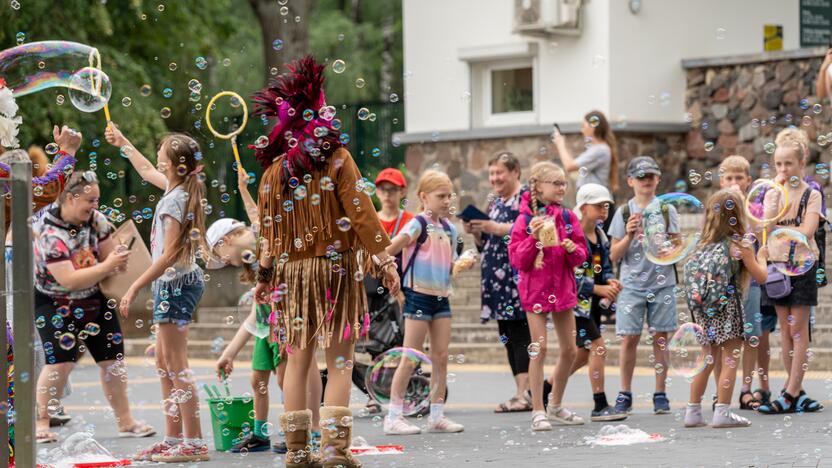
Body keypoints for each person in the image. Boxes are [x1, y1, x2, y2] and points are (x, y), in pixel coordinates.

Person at [251, 56, 400, 468]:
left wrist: (264, 276)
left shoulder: (272, 173)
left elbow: (268, 234)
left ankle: (298, 453)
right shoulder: (338, 159)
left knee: (297, 360)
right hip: (336, 268)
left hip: (291, 273)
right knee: (339, 361)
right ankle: (335, 452)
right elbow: (362, 214)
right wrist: (384, 260)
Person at [105, 125, 210, 462]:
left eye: (161, 153)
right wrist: (124, 142)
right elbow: (145, 169)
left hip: (176, 284)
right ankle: (173, 437)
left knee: (176, 365)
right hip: (171, 284)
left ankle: (193, 443)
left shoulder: (175, 200)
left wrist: (135, 284)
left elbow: (168, 256)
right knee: (165, 364)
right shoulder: (176, 188)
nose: (156, 158)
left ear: (173, 164)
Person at [32, 170, 155, 444]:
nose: (95, 206)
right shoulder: (49, 233)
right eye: (90, 200)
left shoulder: (97, 221)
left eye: (97, 200)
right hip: (54, 301)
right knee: (59, 364)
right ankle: (41, 423)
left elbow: (110, 254)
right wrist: (108, 265)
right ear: (71, 197)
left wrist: (118, 259)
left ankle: (126, 421)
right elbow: (69, 279)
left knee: (113, 362)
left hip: (94, 296)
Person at [212, 170, 323, 454]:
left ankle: (304, 430)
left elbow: (257, 219)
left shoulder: (265, 242)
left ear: (227, 240)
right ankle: (260, 433)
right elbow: (254, 318)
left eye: (218, 254)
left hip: (288, 319)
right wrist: (229, 353)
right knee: (257, 378)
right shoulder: (253, 269)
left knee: (290, 379)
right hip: (268, 327)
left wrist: (244, 189)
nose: (222, 261)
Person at [383, 169, 466, 435]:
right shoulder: (417, 224)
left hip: (441, 298)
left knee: (441, 357)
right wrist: (387, 269)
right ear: (423, 197)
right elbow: (392, 248)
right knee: (409, 358)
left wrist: (461, 265)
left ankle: (437, 415)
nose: (445, 201)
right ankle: (393, 417)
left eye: (448, 196)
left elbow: (447, 264)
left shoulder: (451, 229)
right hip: (417, 295)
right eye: (440, 196)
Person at [509, 161, 588, 431]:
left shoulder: (567, 217)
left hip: (562, 290)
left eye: (563, 182)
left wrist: (570, 248)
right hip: (536, 291)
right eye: (555, 183)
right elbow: (518, 259)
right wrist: (534, 237)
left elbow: (581, 254)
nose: (561, 187)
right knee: (538, 348)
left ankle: (555, 404)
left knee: (570, 349)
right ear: (538, 186)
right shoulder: (523, 219)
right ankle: (538, 410)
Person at [683, 189, 768, 428]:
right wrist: (762, 256)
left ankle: (693, 412)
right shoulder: (739, 244)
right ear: (739, 215)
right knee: (731, 358)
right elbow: (761, 277)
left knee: (706, 358)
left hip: (702, 310)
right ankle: (722, 411)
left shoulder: (701, 244)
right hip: (728, 308)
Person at [756, 130, 825, 414]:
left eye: (789, 164)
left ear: (801, 163)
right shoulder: (774, 192)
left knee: (799, 329)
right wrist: (774, 195)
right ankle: (794, 390)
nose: (783, 169)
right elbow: (766, 227)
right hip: (776, 267)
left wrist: (780, 231)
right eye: (778, 164)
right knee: (784, 329)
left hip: (802, 267)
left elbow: (807, 232)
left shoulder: (812, 194)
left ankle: (790, 392)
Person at [463, 152, 532, 413]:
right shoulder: (494, 201)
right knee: (506, 334)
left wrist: (493, 227)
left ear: (515, 172)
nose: (494, 178)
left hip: (516, 276)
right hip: (495, 278)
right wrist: (479, 233)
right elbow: (487, 245)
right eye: (491, 173)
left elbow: (527, 228)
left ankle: (525, 393)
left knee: (519, 333)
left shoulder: (525, 197)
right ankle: (520, 392)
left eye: (499, 173)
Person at [608, 156, 678, 415]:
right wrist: (628, 235)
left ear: (658, 179)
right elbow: (614, 255)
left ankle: (660, 394)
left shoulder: (666, 211)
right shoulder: (624, 212)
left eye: (651, 176)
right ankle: (624, 393)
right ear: (630, 181)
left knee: (661, 339)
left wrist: (663, 244)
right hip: (632, 285)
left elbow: (677, 247)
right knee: (629, 339)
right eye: (641, 177)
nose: (646, 181)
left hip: (663, 284)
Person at [568, 183, 626, 421]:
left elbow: (605, 268)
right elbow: (571, 276)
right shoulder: (573, 236)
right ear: (583, 208)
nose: (604, 210)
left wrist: (611, 281)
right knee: (598, 347)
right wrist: (599, 288)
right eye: (598, 205)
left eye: (606, 206)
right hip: (575, 306)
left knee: (582, 355)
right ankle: (599, 404)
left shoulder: (601, 235)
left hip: (591, 305)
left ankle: (547, 388)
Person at [714, 156, 767, 411]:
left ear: (748, 181)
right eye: (729, 178)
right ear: (721, 181)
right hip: (722, 281)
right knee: (721, 338)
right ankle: (720, 392)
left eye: (739, 178)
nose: (734, 183)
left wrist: (743, 205)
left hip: (749, 280)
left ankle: (746, 389)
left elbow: (758, 233)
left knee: (751, 335)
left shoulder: (753, 208)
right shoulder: (715, 207)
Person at [552, 110, 619, 231]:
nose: (582, 130)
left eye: (584, 126)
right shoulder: (596, 149)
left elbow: (569, 166)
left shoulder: (600, 150)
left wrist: (560, 144)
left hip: (596, 205)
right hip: (592, 204)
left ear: (593, 127)